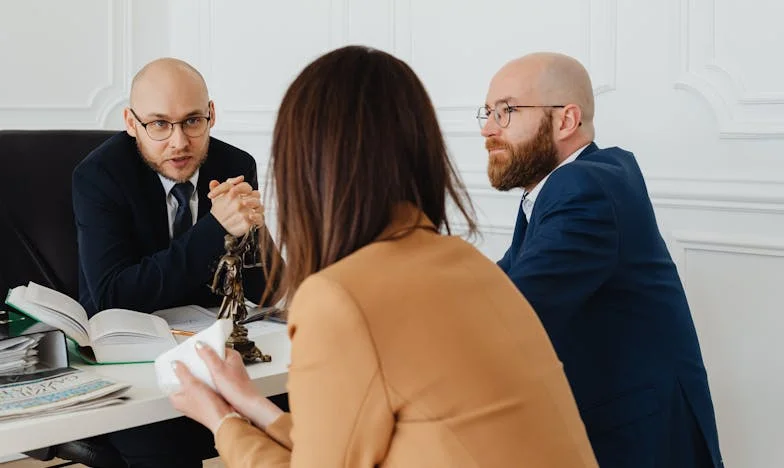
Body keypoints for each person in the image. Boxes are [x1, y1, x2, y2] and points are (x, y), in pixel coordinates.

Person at [168, 45, 598, 467]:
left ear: (306, 165)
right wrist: (251, 404)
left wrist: (221, 421)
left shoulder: (339, 298)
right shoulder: (467, 264)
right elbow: (348, 441)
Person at [480, 52, 723, 467]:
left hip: (643, 443)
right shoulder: (561, 188)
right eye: (487, 113)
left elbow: (513, 311)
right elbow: (497, 284)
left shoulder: (583, 186)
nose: (487, 129)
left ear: (566, 120)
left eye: (506, 111)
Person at [72, 57, 284, 467]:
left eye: (192, 121)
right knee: (161, 440)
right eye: (158, 124)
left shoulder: (235, 165)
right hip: (130, 362)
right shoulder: (98, 176)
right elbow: (115, 294)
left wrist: (252, 232)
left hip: (214, 347)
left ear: (212, 115)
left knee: (305, 401)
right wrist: (214, 229)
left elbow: (264, 292)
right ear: (131, 123)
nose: (179, 142)